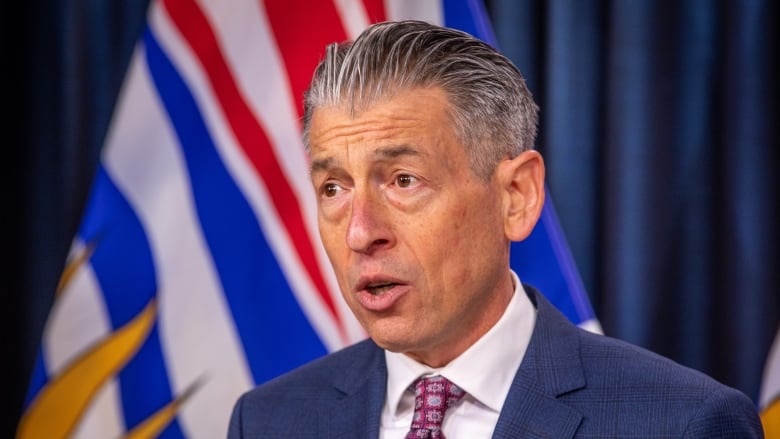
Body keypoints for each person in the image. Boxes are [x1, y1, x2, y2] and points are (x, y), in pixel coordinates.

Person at [227, 20, 763, 438]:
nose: (360, 233)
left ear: (516, 196)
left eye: (404, 180)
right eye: (334, 189)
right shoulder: (269, 422)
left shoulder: (682, 425)